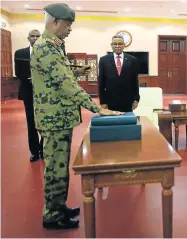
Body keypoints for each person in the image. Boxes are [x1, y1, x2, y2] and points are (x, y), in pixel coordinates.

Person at [30, 3, 123, 229]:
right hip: (54, 118)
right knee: (54, 168)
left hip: (60, 117)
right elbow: (66, 84)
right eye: (67, 24)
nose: (70, 28)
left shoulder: (55, 46)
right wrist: (96, 107)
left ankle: (58, 206)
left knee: (61, 166)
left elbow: (63, 77)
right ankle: (51, 215)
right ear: (54, 22)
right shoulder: (45, 47)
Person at [14, 29, 43, 162]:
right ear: (28, 38)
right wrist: (30, 78)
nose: (35, 38)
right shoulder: (20, 53)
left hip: (44, 93)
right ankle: (34, 152)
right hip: (28, 92)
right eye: (33, 36)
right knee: (31, 122)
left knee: (44, 121)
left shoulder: (47, 52)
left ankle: (43, 149)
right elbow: (18, 73)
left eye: (38, 36)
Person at [98, 35, 140, 112]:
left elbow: (135, 82)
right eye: (115, 44)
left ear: (124, 45)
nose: (117, 46)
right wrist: (103, 101)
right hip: (110, 100)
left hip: (127, 100)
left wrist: (136, 100)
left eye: (120, 44)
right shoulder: (103, 60)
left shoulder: (132, 60)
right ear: (111, 45)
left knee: (127, 122)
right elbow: (101, 82)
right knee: (112, 123)